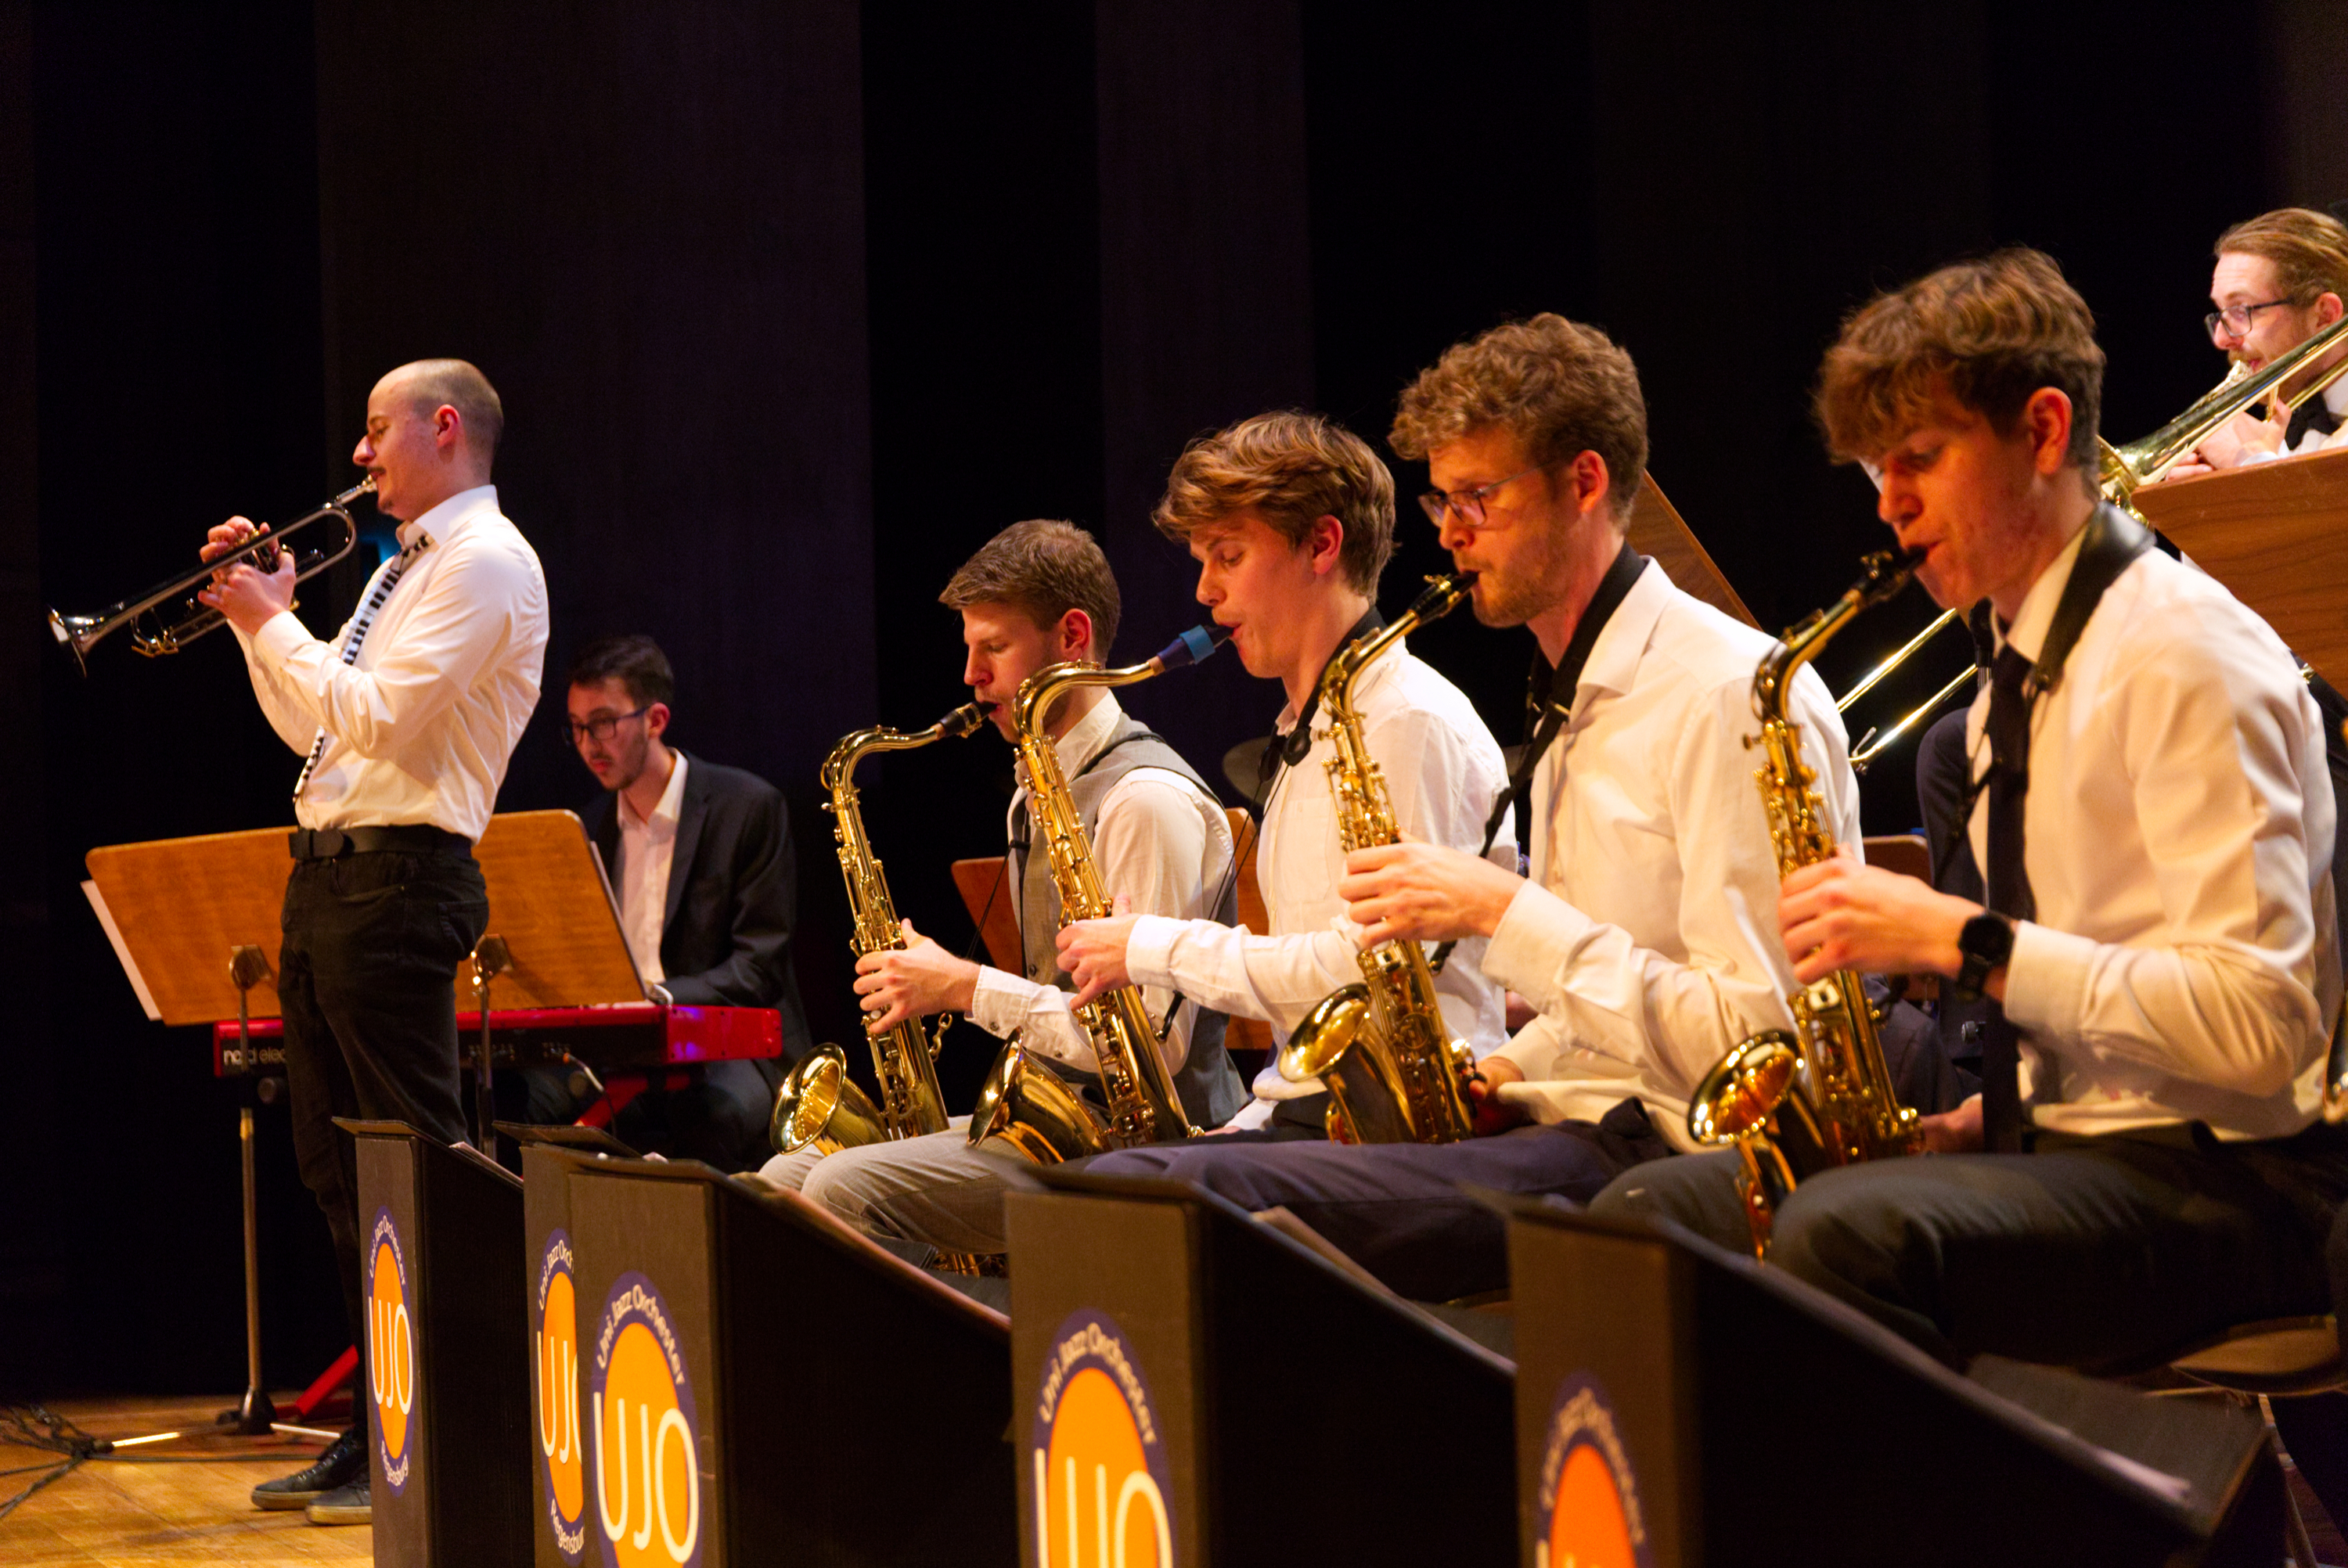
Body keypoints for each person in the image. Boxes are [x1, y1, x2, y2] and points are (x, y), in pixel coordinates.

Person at [1592, 250, 2348, 1385]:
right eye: (1871, 471)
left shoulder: (2184, 653)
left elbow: (2262, 1029)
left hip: (2240, 1188)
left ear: (2044, 433)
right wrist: (1982, 1124)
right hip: (2079, 1149)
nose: (1889, 505)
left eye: (1918, 461)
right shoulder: (2016, 665)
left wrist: (1964, 942)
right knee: (1651, 1206)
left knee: (1843, 1237)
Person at [1061, 320, 1869, 1302]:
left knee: (1150, 1194)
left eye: (1479, 497)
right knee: (1128, 1193)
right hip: (1561, 1120)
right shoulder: (1573, 700)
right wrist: (1510, 1073)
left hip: (1663, 1148)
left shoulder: (1721, 694)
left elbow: (1758, 1047)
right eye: (1443, 499)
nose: (1447, 532)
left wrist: (1500, 912)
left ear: (1584, 484)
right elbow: (1597, 994)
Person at [199, 359, 548, 1527]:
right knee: (337, 1173)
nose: (360, 456)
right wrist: (267, 626)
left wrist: (274, 616)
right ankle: (384, 1429)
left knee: (412, 1168)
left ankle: (453, 1428)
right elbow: (316, 723)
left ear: (443, 429)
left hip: (402, 882)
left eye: (375, 432)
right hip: (335, 881)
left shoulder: (487, 561)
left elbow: (382, 715)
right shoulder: (404, 568)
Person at [755, 519, 1244, 1257]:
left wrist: (962, 988)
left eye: (994, 648)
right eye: (968, 651)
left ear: (1072, 638)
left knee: (841, 1190)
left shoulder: (1144, 798)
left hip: (1147, 1141)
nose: (970, 677)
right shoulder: (1029, 792)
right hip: (1059, 1121)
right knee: (784, 1176)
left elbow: (1155, 1053)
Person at [510, 633, 815, 1166]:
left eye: (603, 723)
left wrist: (660, 997)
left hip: (731, 1050)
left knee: (710, 1116)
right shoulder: (586, 829)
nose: (589, 744)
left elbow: (758, 966)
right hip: (620, 1054)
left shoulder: (747, 807)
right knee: (519, 1105)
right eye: (577, 728)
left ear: (655, 720)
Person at [2164, 207, 2348, 477]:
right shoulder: (2274, 437)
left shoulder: (2256, 454)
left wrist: (2249, 467)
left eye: (2242, 310)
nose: (2221, 339)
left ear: (2324, 315)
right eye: (2220, 313)